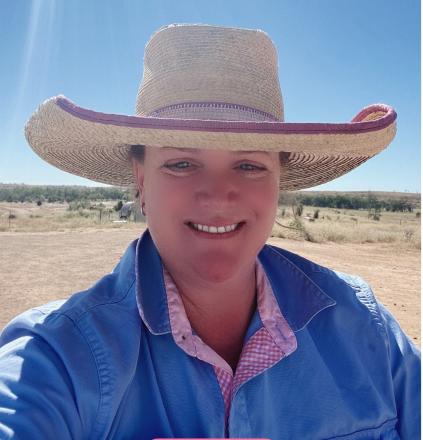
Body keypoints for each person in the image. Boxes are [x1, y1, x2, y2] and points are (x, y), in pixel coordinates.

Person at [0, 23, 420, 440]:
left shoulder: (365, 328)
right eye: (181, 163)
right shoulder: (56, 357)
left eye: (249, 165)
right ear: (141, 180)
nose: (218, 197)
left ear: (279, 181)